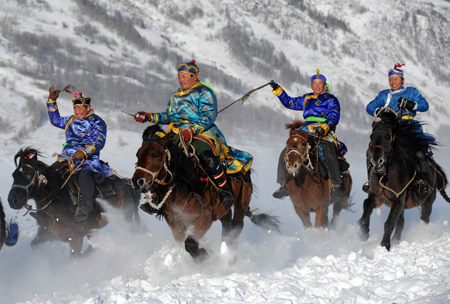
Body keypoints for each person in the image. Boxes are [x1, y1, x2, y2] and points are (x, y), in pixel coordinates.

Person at [134, 59, 253, 207]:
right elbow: (170, 116)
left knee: (207, 158)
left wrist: (192, 130)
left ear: (194, 76)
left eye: (184, 76)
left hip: (202, 132)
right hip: (176, 132)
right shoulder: (176, 96)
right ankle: (156, 195)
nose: (180, 79)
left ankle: (224, 190)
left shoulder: (205, 92)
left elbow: (209, 116)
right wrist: (149, 117)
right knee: (158, 156)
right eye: (179, 76)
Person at [270, 69, 347, 203]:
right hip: (305, 130)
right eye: (314, 84)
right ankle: (283, 186)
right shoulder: (306, 98)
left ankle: (335, 186)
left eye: (320, 83)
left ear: (324, 85)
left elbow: (334, 117)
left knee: (329, 151)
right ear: (311, 86)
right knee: (286, 151)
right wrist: (278, 90)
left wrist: (324, 128)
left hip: (324, 131)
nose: (317, 86)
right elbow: (289, 102)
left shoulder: (331, 99)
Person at [363, 63, 435, 192]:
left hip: (409, 126)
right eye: (391, 79)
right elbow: (369, 107)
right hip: (390, 128)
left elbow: (425, 105)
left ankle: (422, 180)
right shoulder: (384, 95)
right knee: (372, 151)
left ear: (403, 80)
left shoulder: (412, 92)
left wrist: (411, 105)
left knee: (419, 152)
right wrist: (379, 111)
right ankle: (371, 182)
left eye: (396, 79)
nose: (393, 82)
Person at [47, 87, 114, 221]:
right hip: (67, 158)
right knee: (48, 174)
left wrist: (84, 152)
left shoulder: (97, 122)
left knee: (84, 176)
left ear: (88, 108)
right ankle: (46, 207)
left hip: (87, 160)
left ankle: (87, 207)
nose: (77, 112)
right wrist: (52, 101)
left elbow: (99, 141)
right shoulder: (71, 120)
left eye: (80, 108)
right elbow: (55, 121)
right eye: (75, 109)